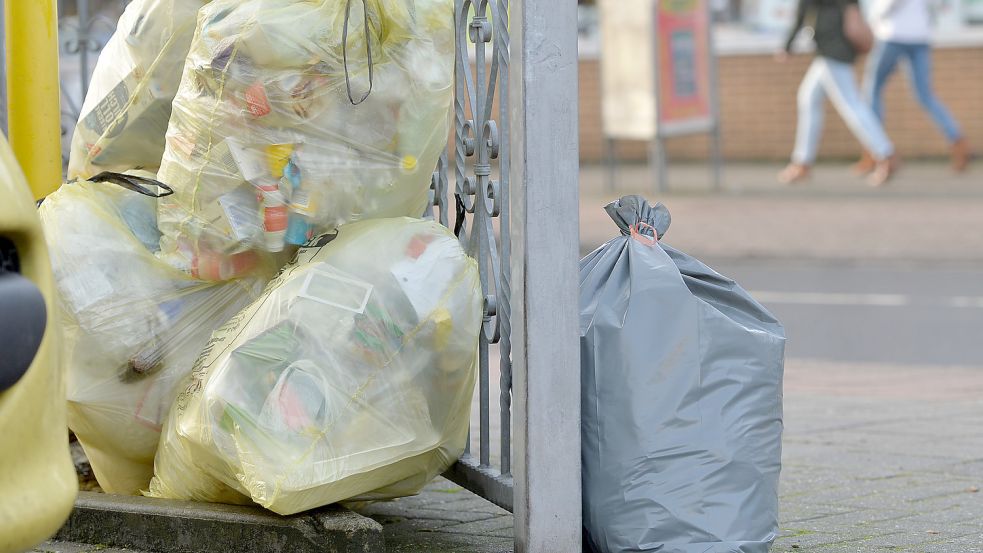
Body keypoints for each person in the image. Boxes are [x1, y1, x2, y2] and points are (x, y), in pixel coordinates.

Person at [777, 0, 899, 186]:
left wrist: (787, 46)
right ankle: (802, 162)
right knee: (808, 99)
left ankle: (885, 154)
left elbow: (802, 13)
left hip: (831, 49)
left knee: (851, 105)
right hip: (837, 47)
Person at [856, 0, 971, 173]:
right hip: (920, 36)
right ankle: (957, 141)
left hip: (893, 35)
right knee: (925, 95)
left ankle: (875, 149)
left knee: (873, 89)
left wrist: (873, 17)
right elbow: (944, 6)